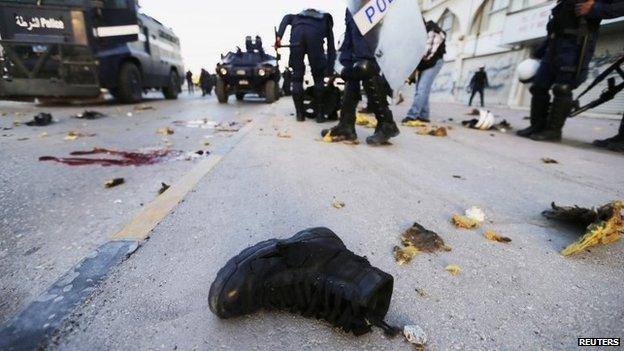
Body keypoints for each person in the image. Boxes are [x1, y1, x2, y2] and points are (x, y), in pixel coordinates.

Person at [517, 0, 624, 141]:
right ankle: (536, 126)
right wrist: (540, 51)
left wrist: (595, 9)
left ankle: (553, 131)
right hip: (554, 44)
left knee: (563, 88)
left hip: (576, 44)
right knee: (538, 86)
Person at [321, 9, 400, 146]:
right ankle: (346, 125)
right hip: (353, 9)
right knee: (350, 65)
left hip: (369, 8)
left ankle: (387, 123)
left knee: (365, 63)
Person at [276, 9, 336, 123]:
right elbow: (331, 46)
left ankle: (300, 114)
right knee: (318, 78)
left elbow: (286, 17)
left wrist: (279, 37)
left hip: (297, 33)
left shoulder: (297, 16)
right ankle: (320, 115)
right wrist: (330, 69)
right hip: (315, 37)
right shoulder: (326, 20)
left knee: (297, 77)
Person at [402, 20, 446, 123]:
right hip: (424, 64)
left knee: (422, 89)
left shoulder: (432, 31)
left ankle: (412, 115)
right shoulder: (421, 33)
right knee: (422, 89)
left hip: (433, 63)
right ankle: (424, 115)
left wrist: (412, 66)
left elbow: (427, 54)